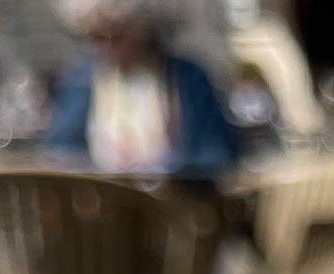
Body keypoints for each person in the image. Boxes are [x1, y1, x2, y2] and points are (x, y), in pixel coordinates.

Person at [49, 0, 237, 176]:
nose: (107, 46)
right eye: (96, 37)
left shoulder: (188, 78)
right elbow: (60, 150)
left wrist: (168, 174)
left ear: (145, 28)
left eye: (118, 35)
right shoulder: (80, 80)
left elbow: (214, 153)